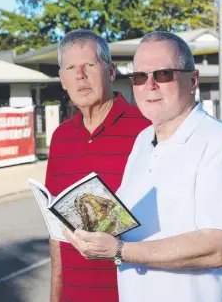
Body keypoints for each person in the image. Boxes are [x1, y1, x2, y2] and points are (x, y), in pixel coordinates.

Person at [62, 31, 222, 302]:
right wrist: (87, 230)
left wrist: (119, 250)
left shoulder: (218, 140)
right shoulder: (143, 141)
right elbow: (127, 225)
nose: (150, 85)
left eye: (163, 74)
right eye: (140, 77)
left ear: (193, 80)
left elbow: (217, 248)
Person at [44, 29, 151, 302]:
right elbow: (57, 232)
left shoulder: (147, 129)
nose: (80, 75)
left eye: (89, 65)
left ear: (111, 72)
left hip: (133, 291)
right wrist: (56, 296)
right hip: (74, 295)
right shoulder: (60, 138)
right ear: (62, 80)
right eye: (71, 68)